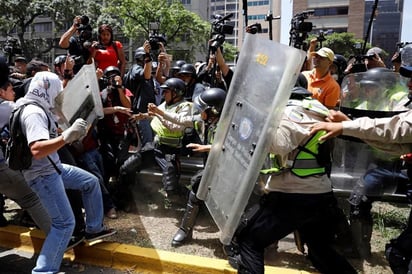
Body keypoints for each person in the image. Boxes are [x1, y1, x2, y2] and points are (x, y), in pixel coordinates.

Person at [228, 86, 357, 274]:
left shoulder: (290, 111)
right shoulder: (321, 109)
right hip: (321, 194)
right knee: (320, 250)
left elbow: (278, 145)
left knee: (249, 240)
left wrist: (257, 121)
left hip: (292, 195)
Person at [310, 48, 412, 273]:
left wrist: (346, 125)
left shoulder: (396, 101)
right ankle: (360, 248)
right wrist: (347, 124)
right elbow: (386, 140)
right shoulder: (367, 105)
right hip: (381, 164)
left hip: (399, 167)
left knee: (399, 253)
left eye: (372, 87)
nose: (368, 90)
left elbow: (393, 130)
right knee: (358, 198)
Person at [15, 71, 116, 273]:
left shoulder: (33, 106)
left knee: (90, 182)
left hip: (53, 168)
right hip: (43, 175)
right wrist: (66, 138)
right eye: (57, 92)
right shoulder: (33, 113)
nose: (59, 96)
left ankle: (93, 229)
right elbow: (37, 149)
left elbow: (47, 135)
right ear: (47, 90)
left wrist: (69, 132)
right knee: (64, 224)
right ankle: (43, 271)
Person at [0, 56, 51, 233]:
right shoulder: (7, 107)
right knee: (31, 198)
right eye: (11, 89)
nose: (14, 92)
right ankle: (59, 240)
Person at [172, 87, 226, 246]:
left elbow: (233, 145)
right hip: (213, 169)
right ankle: (185, 230)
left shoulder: (229, 124)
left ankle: (234, 241)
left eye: (203, 109)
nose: (200, 112)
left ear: (214, 111)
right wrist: (157, 113)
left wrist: (209, 148)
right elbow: (181, 120)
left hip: (231, 173)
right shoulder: (207, 122)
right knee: (196, 188)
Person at [125, 78, 194, 194]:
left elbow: (174, 126)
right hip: (154, 147)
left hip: (170, 151)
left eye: (167, 91)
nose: (163, 94)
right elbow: (156, 115)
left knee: (171, 188)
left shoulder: (185, 107)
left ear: (177, 93)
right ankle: (128, 199)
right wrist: (143, 116)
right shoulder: (166, 104)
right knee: (126, 168)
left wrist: (158, 113)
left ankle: (190, 199)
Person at [124, 42, 157, 146]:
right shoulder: (136, 68)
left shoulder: (145, 68)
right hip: (140, 114)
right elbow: (146, 76)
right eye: (146, 57)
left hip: (147, 113)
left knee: (152, 142)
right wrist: (147, 55)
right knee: (147, 145)